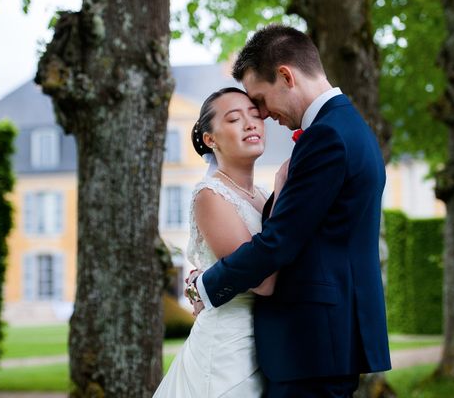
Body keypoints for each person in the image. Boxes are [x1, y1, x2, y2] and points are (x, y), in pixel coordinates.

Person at [187, 24, 391, 397]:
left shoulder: (326, 136)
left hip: (311, 341)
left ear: (286, 75)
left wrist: (205, 285)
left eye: (260, 100)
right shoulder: (346, 126)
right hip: (318, 340)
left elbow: (279, 242)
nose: (261, 116)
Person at [154, 87, 282, 397]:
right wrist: (283, 185)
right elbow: (262, 280)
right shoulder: (211, 195)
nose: (251, 124)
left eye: (255, 116)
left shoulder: (264, 196)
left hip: (266, 342)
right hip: (226, 351)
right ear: (210, 139)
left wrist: (200, 283)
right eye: (235, 119)